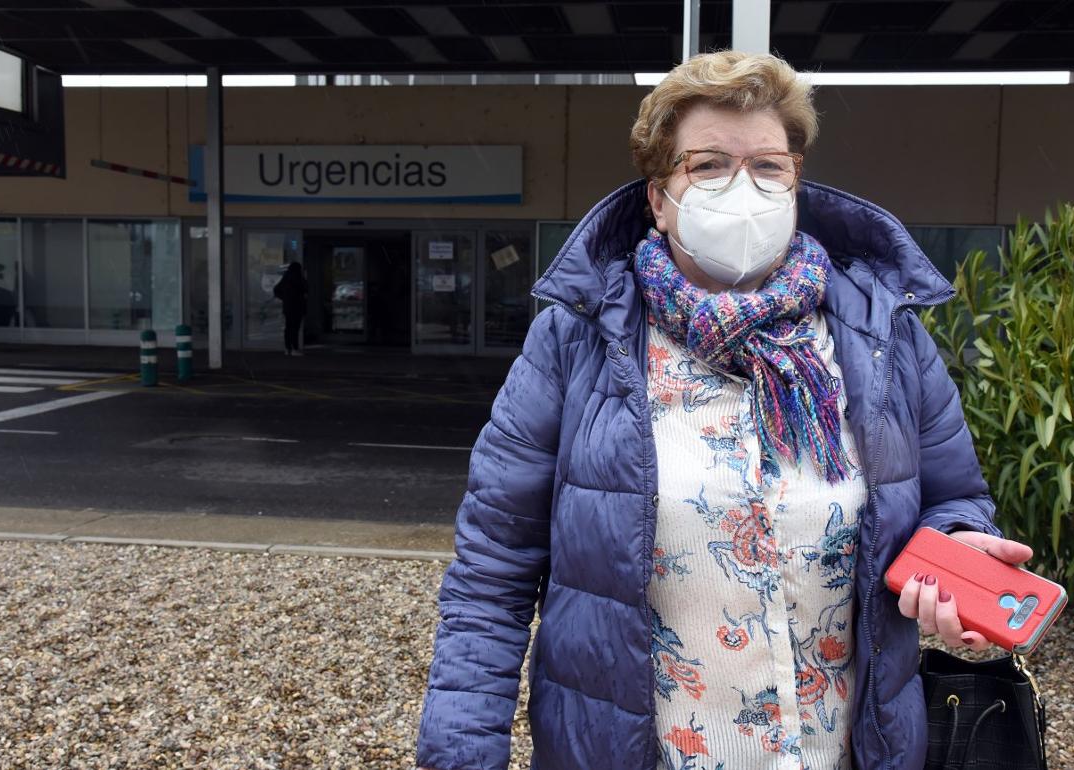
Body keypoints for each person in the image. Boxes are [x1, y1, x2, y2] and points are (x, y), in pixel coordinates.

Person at [416, 51, 1033, 770]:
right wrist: (461, 753)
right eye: (707, 165)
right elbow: (493, 571)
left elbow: (952, 496)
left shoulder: (881, 335)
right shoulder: (578, 339)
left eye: (769, 166)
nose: (743, 188)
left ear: (796, 180)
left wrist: (958, 548)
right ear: (659, 195)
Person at [272, 262, 307, 356]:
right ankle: (295, 349)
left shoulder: (285, 278)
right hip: (298, 307)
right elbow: (306, 289)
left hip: (288, 307)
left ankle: (288, 349)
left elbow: (276, 290)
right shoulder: (299, 278)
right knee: (295, 329)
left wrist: (284, 298)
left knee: (288, 328)